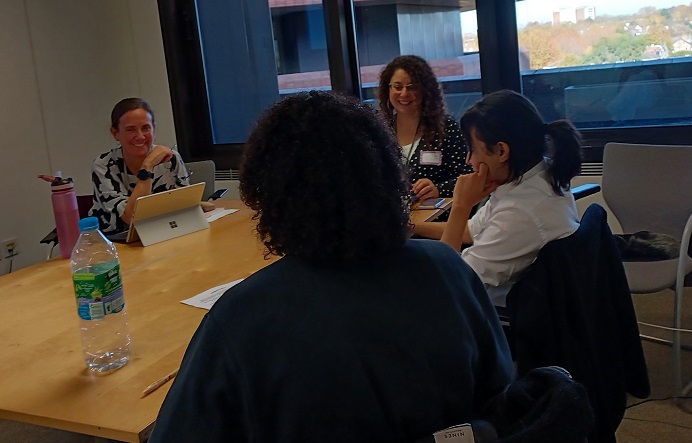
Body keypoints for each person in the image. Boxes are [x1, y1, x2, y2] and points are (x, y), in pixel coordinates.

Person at [148, 91, 514, 442]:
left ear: (269, 198)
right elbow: (501, 393)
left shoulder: (243, 316)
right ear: (386, 177)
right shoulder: (448, 269)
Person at [414, 90, 582, 307]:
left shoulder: (519, 214)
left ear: (501, 151)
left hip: (497, 316)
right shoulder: (536, 174)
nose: (468, 161)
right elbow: (471, 230)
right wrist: (413, 226)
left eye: (472, 150)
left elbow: (447, 285)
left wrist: (461, 206)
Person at [378, 55, 471, 201]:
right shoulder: (379, 129)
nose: (404, 94)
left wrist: (438, 189)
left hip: (435, 218)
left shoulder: (445, 128)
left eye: (412, 87)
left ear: (426, 90)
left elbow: (469, 178)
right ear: (387, 89)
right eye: (397, 87)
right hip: (391, 217)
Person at [88, 97, 189, 233]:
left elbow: (185, 205)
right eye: (131, 130)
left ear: (154, 128)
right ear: (115, 133)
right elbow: (131, 217)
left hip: (163, 232)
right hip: (116, 242)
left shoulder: (171, 158)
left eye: (146, 128)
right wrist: (147, 167)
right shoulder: (103, 165)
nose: (140, 136)